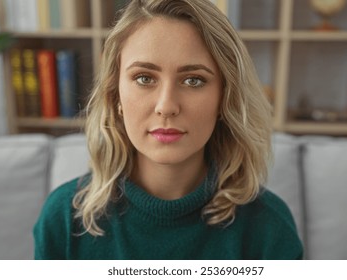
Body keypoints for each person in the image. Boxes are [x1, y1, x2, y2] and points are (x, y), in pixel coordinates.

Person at [34, 0, 303, 260]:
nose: (166, 106)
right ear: (115, 95)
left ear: (224, 97)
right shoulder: (64, 219)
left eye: (193, 80)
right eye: (144, 78)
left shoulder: (269, 228)